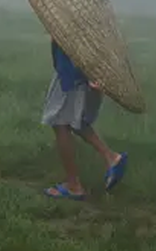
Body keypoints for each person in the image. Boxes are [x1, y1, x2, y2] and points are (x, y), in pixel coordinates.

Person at [41, 37, 128, 200]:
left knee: (60, 123)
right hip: (80, 73)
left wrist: (91, 74)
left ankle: (73, 186)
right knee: (75, 120)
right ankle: (112, 158)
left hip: (73, 74)